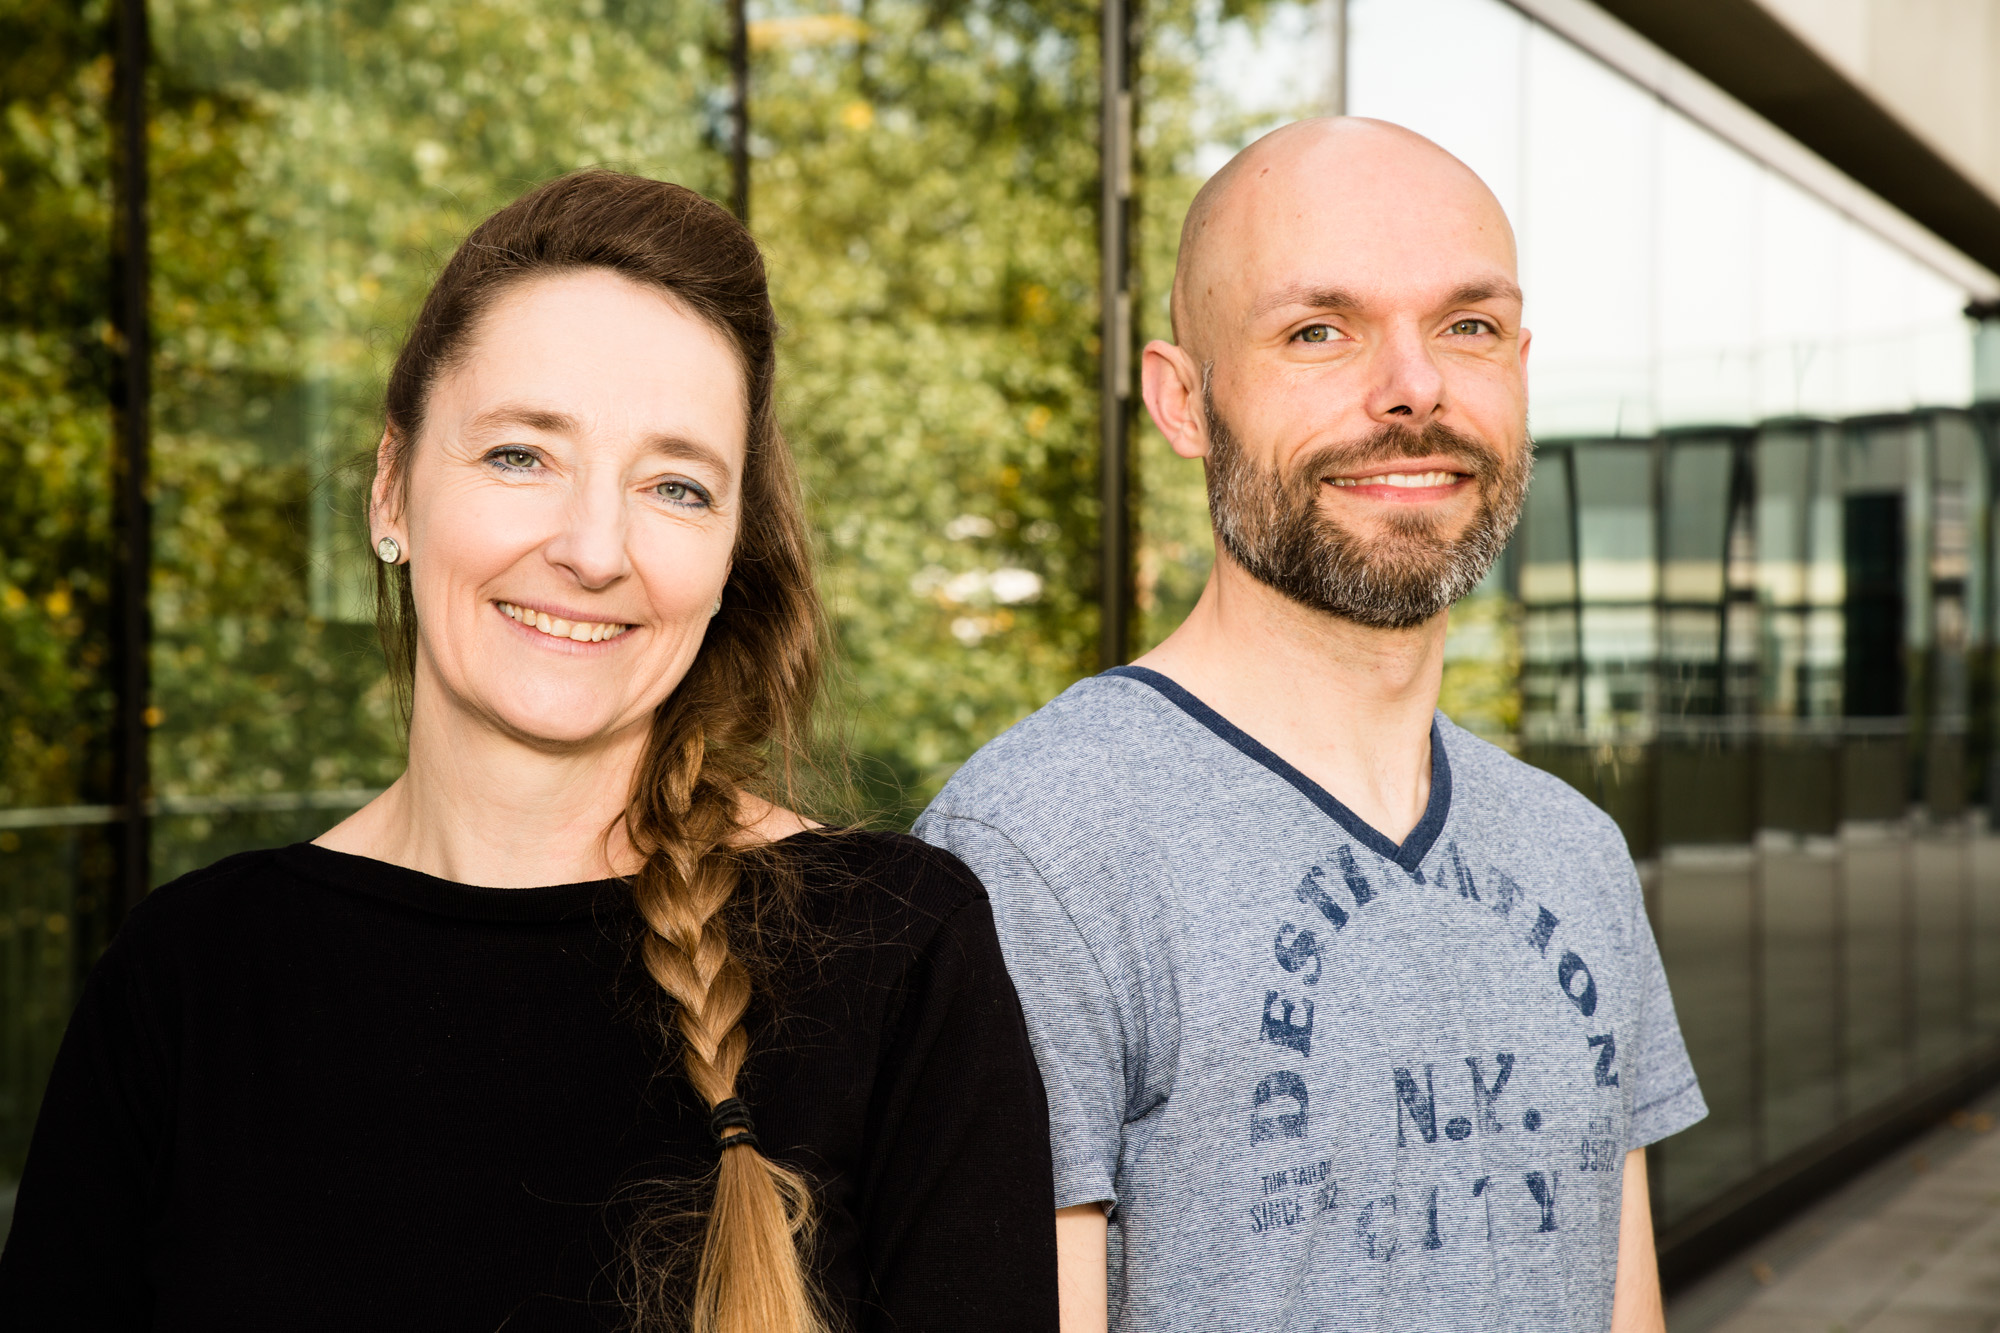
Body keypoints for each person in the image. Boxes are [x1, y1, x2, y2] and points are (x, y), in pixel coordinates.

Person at [0, 171, 1058, 1332]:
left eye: (674, 486)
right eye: (521, 455)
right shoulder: (189, 982)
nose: (594, 549)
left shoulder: (899, 951)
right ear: (390, 491)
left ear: (726, 561)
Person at [916, 118, 1705, 1333]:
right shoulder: (1032, 853)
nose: (1412, 386)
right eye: (1316, 331)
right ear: (1183, 400)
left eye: (1468, 326)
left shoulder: (1575, 852)